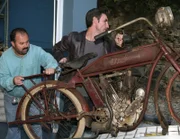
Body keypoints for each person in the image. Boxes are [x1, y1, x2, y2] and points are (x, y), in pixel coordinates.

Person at [0, 28, 58, 139]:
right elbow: (1, 79)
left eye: (27, 42)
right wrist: (12, 81)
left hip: (32, 97)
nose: (26, 45)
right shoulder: (5, 58)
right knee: (13, 128)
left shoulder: (36, 51)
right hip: (12, 97)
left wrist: (51, 67)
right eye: (21, 43)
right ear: (13, 44)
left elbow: (48, 59)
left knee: (35, 125)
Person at [53, 8, 123, 66]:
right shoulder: (74, 38)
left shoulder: (108, 42)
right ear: (95, 20)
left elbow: (118, 61)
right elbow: (56, 48)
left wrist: (118, 46)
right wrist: (61, 58)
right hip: (75, 81)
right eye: (105, 21)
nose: (107, 26)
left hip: (98, 82)